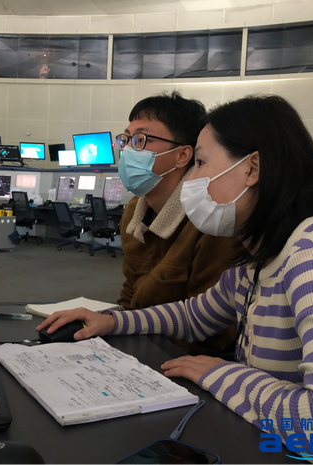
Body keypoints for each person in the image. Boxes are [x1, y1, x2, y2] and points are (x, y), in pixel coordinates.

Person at [38, 95, 313, 463]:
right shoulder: (257, 258)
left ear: (252, 169)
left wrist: (225, 375)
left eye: (201, 163)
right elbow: (193, 316)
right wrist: (113, 321)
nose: (191, 179)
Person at [115, 92, 238, 354]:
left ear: (182, 155)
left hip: (183, 355)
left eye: (141, 140)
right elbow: (130, 295)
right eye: (125, 140)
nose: (127, 150)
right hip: (141, 342)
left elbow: (213, 326)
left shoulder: (209, 219)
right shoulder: (134, 212)